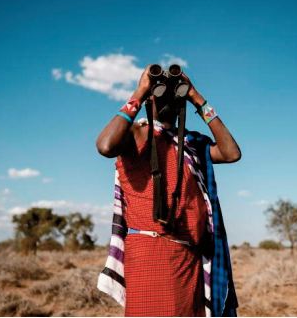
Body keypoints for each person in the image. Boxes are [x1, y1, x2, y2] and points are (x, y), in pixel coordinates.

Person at [96, 65, 241, 317]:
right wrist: (139, 93)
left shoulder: (192, 143)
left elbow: (231, 153)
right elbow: (106, 145)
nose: (166, 99)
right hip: (148, 253)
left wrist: (197, 99)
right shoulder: (136, 134)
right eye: (158, 92)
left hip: (188, 258)